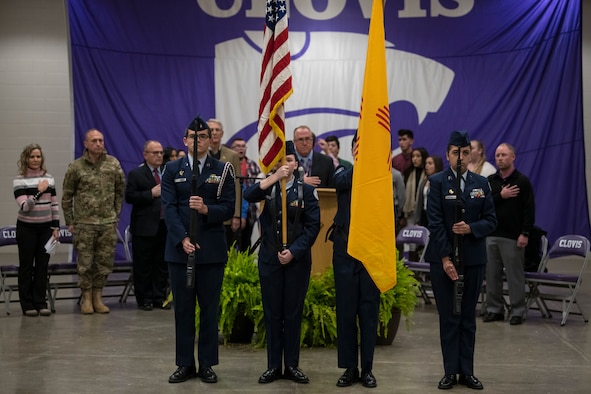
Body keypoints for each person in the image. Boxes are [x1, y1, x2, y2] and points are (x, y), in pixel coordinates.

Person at [161, 116, 235, 384]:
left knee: (209, 309)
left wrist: (206, 210)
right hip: (180, 249)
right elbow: (168, 208)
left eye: (202, 137)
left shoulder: (222, 169)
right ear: (185, 141)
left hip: (211, 249)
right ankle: (184, 363)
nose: (198, 141)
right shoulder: (172, 169)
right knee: (183, 310)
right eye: (192, 137)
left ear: (210, 139)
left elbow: (228, 207)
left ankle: (206, 364)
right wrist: (182, 238)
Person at [424, 130, 497, 390]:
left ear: (471, 155)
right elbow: (434, 222)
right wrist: (445, 258)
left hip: (473, 259)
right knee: (448, 317)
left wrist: (472, 228)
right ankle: (449, 371)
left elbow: (491, 220)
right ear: (448, 155)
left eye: (465, 153)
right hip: (443, 259)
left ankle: (467, 371)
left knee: (467, 317)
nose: (461, 157)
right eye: (456, 153)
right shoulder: (437, 182)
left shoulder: (481, 183)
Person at [244, 141, 320, 385]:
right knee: (272, 313)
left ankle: (293, 366)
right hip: (270, 259)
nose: (284, 165)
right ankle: (273, 366)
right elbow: (248, 194)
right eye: (279, 162)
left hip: (296, 261)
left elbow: (313, 226)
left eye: (288, 160)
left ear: (296, 164)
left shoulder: (306, 192)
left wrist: (294, 251)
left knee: (293, 313)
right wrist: (273, 177)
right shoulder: (268, 188)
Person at [330, 136, 379, 388]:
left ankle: (368, 368)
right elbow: (339, 181)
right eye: (358, 147)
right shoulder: (344, 169)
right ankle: (349, 367)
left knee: (369, 313)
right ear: (352, 150)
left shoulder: (380, 177)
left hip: (370, 253)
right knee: (346, 312)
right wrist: (362, 163)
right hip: (345, 250)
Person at [62, 129, 125, 315]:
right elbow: (67, 196)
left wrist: (115, 215)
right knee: (85, 263)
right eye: (94, 140)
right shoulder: (76, 167)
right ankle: (86, 298)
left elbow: (120, 190)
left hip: (107, 222)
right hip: (84, 223)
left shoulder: (113, 164)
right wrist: (70, 221)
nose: (99, 143)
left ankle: (98, 296)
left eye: (101, 140)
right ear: (86, 144)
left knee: (104, 262)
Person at [483, 143, 535, 326]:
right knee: (492, 274)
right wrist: (501, 195)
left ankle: (518, 310)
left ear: (513, 157)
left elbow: (529, 210)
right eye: (497, 155)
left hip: (512, 236)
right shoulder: (491, 181)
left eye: (504, 155)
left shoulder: (521, 181)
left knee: (514, 276)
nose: (500, 158)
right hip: (491, 234)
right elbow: (483, 203)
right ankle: (494, 309)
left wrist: (525, 233)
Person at [13, 144, 60, 317]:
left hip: (46, 228)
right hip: (26, 228)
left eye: (38, 156)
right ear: (26, 159)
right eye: (32, 157)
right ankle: (27, 305)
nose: (35, 160)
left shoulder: (49, 179)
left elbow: (54, 204)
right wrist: (39, 192)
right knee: (26, 267)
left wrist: (56, 227)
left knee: (42, 267)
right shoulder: (19, 180)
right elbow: (25, 206)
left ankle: (41, 302)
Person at [125, 140, 169, 311]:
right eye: (155, 153)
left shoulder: (167, 172)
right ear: (145, 155)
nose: (159, 156)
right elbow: (130, 196)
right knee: (143, 265)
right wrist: (150, 194)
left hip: (164, 226)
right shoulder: (136, 173)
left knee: (161, 264)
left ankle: (160, 297)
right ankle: (145, 299)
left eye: (160, 152)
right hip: (144, 227)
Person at [207, 118, 241, 249]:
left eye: (217, 130)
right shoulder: (200, 155)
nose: (214, 133)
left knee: (226, 249)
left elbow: (237, 185)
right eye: (211, 130)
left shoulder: (232, 155)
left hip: (226, 212)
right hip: (206, 212)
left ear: (222, 133)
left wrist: (236, 215)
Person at [230, 137, 261, 252]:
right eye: (237, 146)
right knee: (231, 244)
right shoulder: (228, 164)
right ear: (232, 149)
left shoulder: (252, 165)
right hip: (231, 210)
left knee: (246, 243)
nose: (240, 149)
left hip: (250, 211)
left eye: (243, 146)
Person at [402, 147, 429, 227]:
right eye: (413, 156)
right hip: (410, 212)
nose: (415, 159)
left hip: (423, 212)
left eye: (418, 156)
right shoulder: (408, 172)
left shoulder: (428, 174)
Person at [415, 155, 444, 227]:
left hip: (436, 216)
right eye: (426, 163)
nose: (427, 166)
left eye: (430, 163)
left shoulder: (442, 182)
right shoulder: (424, 181)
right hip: (424, 214)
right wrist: (417, 220)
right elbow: (419, 202)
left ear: (437, 165)